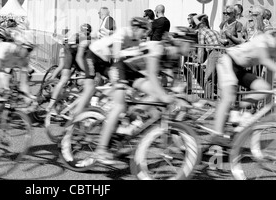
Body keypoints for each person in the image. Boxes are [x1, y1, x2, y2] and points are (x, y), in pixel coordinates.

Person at [92, 24, 196, 164]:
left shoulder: (175, 56)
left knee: (158, 98)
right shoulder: (159, 48)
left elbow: (173, 83)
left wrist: (184, 98)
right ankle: (100, 149)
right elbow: (152, 76)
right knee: (120, 106)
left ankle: (125, 131)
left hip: (135, 73)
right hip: (121, 67)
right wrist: (166, 96)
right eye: (191, 44)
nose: (193, 48)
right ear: (181, 42)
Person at [209, 30, 276, 146]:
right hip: (228, 61)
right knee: (228, 97)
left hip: (240, 68)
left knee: (265, 88)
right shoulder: (263, 40)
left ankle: (236, 108)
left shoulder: (273, 45)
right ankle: (216, 134)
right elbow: (265, 59)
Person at [46, 23, 92, 112]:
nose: (86, 34)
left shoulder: (79, 36)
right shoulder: (83, 38)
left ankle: (57, 101)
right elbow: (79, 56)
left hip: (72, 53)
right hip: (71, 55)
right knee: (65, 77)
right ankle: (53, 101)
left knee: (72, 78)